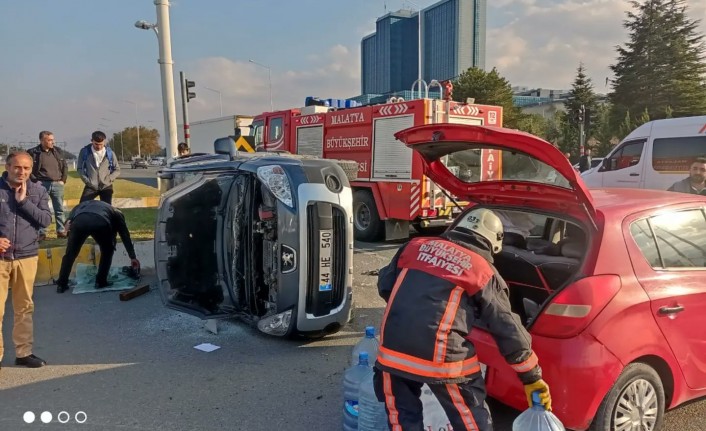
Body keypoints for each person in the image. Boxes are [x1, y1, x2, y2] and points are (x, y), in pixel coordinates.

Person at [374, 207, 551, 430]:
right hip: (444, 363)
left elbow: (385, 287)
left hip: (391, 354)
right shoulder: (481, 269)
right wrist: (531, 377)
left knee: (401, 420)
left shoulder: (413, 246)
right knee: (471, 423)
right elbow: (505, 325)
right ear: (492, 243)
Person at [0, 151, 52, 369]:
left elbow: (46, 220)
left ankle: (24, 353)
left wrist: (23, 203)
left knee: (24, 307)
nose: (22, 172)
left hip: (27, 256)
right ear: (8, 166)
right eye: (17, 167)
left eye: (27, 168)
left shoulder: (37, 190)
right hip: (1, 258)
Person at [55, 200, 140, 293]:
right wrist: (132, 257)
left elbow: (69, 222)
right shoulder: (117, 213)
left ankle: (62, 283)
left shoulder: (82, 205)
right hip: (100, 222)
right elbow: (125, 235)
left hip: (79, 221)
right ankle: (101, 281)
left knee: (70, 254)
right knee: (107, 251)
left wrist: (67, 227)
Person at [28, 130, 69, 240]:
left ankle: (61, 231)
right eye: (49, 140)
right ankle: (41, 233)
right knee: (41, 209)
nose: (53, 142)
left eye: (53, 139)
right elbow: (28, 168)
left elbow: (64, 166)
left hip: (57, 184)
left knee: (59, 209)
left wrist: (63, 180)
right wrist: (35, 181)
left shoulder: (57, 151)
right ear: (42, 140)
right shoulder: (33, 152)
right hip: (41, 184)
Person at [77, 131, 120, 204]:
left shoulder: (110, 153)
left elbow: (117, 169)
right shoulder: (84, 152)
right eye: (96, 144)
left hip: (106, 186)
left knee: (107, 209)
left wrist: (109, 179)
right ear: (92, 141)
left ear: (105, 141)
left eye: (101, 144)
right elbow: (80, 169)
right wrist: (87, 181)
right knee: (82, 206)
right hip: (91, 186)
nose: (99, 146)